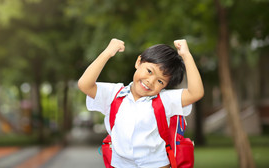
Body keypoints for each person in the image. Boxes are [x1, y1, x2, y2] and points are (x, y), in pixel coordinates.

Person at [78, 38, 204, 168]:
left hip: (156, 164)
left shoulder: (165, 100)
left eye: (160, 81)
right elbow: (84, 85)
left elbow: (196, 93)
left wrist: (186, 55)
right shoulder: (113, 94)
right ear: (138, 62)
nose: (150, 81)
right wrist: (108, 52)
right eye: (149, 71)